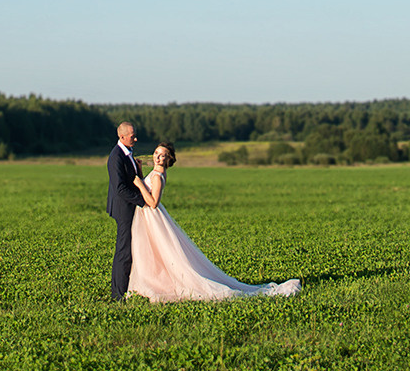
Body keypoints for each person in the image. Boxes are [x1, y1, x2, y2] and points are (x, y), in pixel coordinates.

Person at [124, 143, 300, 302]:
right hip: (148, 218)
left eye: (162, 155)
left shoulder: (157, 176)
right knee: (155, 253)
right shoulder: (155, 173)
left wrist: (139, 183)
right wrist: (139, 172)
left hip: (152, 217)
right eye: (156, 153)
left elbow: (153, 203)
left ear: (168, 159)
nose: (157, 157)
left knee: (159, 252)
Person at [105, 121, 143, 301]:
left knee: (127, 249)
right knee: (124, 251)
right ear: (122, 137)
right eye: (132, 136)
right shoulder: (116, 157)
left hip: (128, 207)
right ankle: (117, 295)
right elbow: (120, 188)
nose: (135, 138)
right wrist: (142, 201)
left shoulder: (127, 153)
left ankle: (123, 290)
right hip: (123, 209)